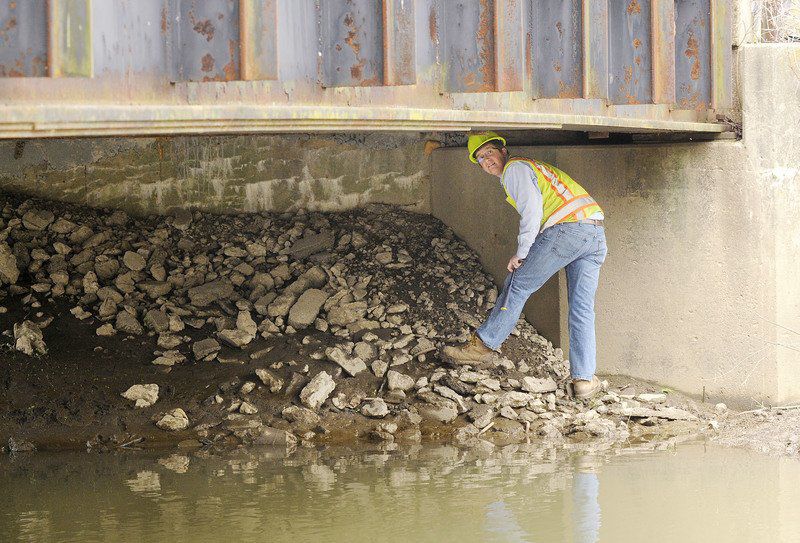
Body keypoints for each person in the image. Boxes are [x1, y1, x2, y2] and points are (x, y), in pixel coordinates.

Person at [443, 131, 607, 399]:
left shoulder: (515, 169)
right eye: (481, 158)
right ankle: (584, 380)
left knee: (517, 283)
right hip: (594, 233)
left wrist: (521, 253)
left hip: (568, 229)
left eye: (489, 153)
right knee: (581, 308)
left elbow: (532, 211)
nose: (487, 161)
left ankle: (482, 346)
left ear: (503, 151)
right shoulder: (530, 167)